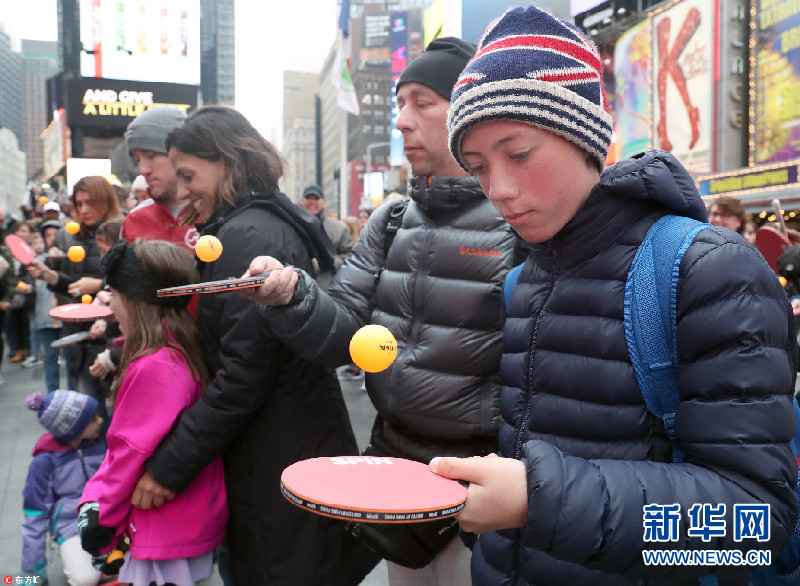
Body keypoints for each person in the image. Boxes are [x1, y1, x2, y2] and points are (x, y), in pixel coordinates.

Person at [426, 5, 798, 584]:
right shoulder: (523, 281)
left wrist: (539, 501)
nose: (498, 189)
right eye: (477, 167)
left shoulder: (708, 269)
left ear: (583, 136)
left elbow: (756, 527)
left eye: (518, 154)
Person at [242, 36, 526, 585]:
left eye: (422, 102)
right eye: (399, 104)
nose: (402, 120)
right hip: (394, 466)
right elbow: (344, 332)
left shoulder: (519, 218)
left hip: (483, 482)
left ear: (470, 108)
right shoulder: (391, 220)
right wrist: (292, 297)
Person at [129, 105, 378, 584]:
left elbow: (243, 376)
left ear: (224, 163)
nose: (183, 189)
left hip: (277, 458)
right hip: (288, 445)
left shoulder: (247, 235)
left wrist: (169, 467)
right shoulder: (255, 223)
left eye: (189, 175)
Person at [75, 239, 226, 585]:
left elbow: (129, 453)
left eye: (114, 295)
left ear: (135, 301)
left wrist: (103, 523)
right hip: (183, 522)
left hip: (160, 531)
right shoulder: (178, 347)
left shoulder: (154, 367)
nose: (110, 305)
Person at [31, 176, 124, 420]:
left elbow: (130, 282)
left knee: (113, 415)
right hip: (76, 336)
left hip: (111, 338)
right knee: (85, 416)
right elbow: (72, 287)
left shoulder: (121, 231)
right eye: (79, 203)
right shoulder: (68, 236)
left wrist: (98, 285)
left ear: (105, 201)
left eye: (90, 203)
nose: (84, 210)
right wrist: (51, 276)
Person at [22, 389, 105, 586]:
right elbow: (34, 516)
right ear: (73, 429)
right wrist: (33, 570)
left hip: (110, 518)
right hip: (72, 527)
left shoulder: (101, 444)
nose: (101, 421)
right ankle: (70, 553)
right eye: (93, 419)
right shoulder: (43, 463)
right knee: (86, 579)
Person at [121, 106, 198, 254]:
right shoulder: (134, 219)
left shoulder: (215, 215)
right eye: (137, 160)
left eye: (151, 156)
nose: (143, 170)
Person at [300, 184, 352, 289]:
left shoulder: (339, 228)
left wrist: (330, 261)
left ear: (323, 201)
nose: (312, 202)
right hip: (300, 287)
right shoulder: (293, 226)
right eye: (309, 198)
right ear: (302, 200)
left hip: (330, 288)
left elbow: (351, 257)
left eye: (316, 198)